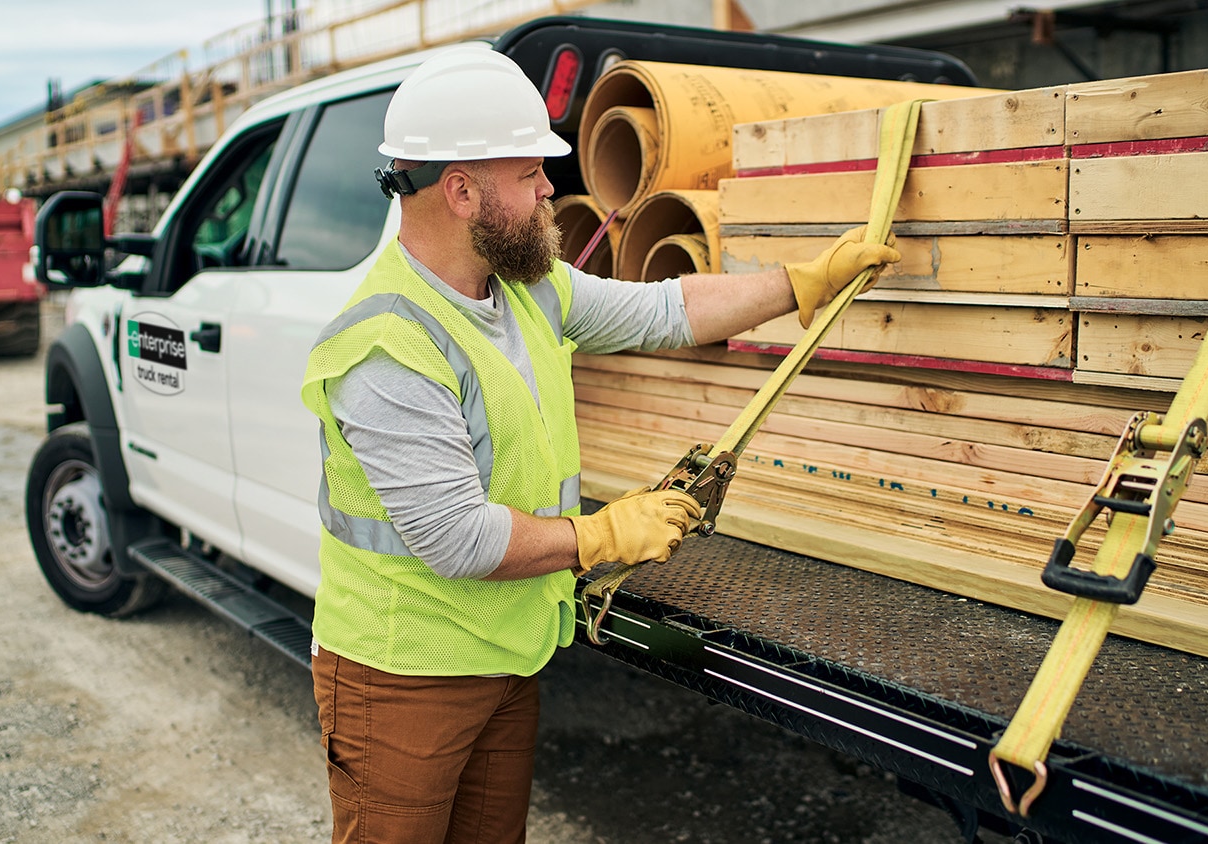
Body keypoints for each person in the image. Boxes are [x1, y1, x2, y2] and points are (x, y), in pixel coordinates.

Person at [299, 46, 900, 844]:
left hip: (506, 654)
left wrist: (800, 284)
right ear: (461, 189)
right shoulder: (386, 344)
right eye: (531, 173)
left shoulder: (528, 286)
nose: (552, 187)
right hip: (403, 677)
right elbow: (454, 537)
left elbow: (665, 310)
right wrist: (603, 534)